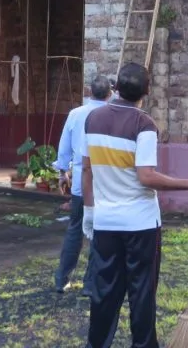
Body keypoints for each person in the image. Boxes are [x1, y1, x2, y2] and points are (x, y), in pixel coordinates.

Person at [81, 62, 188, 348]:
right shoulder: (144, 124)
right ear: (147, 92)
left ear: (115, 87)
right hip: (140, 225)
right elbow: (147, 177)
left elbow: (87, 169)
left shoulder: (92, 120)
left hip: (105, 222)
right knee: (141, 293)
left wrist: (89, 211)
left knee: (104, 292)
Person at [52, 74, 112, 294]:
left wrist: (62, 172)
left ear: (89, 91)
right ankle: (90, 282)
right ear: (110, 93)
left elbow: (64, 146)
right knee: (100, 231)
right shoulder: (110, 115)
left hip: (79, 182)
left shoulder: (76, 114)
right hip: (104, 181)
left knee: (75, 229)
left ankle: (62, 278)